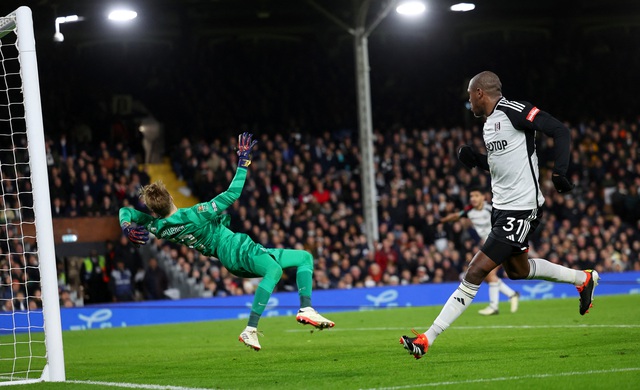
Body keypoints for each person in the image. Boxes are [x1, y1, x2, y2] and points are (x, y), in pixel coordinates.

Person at [400, 71, 599, 360]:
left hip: (521, 207)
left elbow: (559, 130)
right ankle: (583, 279)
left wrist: (560, 171)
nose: (469, 102)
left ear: (480, 92)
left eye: (470, 96)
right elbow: (501, 167)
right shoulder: (489, 124)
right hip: (502, 207)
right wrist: (476, 161)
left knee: (475, 270)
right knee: (517, 271)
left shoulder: (513, 110)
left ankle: (426, 339)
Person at [119, 133, 334, 352]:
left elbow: (126, 211)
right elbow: (232, 193)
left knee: (304, 257)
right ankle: (251, 328)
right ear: (172, 198)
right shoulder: (195, 214)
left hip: (230, 257)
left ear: (154, 210)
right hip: (234, 248)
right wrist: (243, 161)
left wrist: (127, 226)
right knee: (274, 270)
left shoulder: (158, 227)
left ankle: (306, 307)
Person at [440, 187, 520, 315]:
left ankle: (494, 306)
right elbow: (456, 215)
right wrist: (442, 220)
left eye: (476, 195)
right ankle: (512, 294)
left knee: (489, 274)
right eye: (471, 196)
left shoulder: (492, 208)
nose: (473, 198)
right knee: (488, 277)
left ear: (483, 197)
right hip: (489, 246)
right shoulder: (469, 210)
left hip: (501, 242)